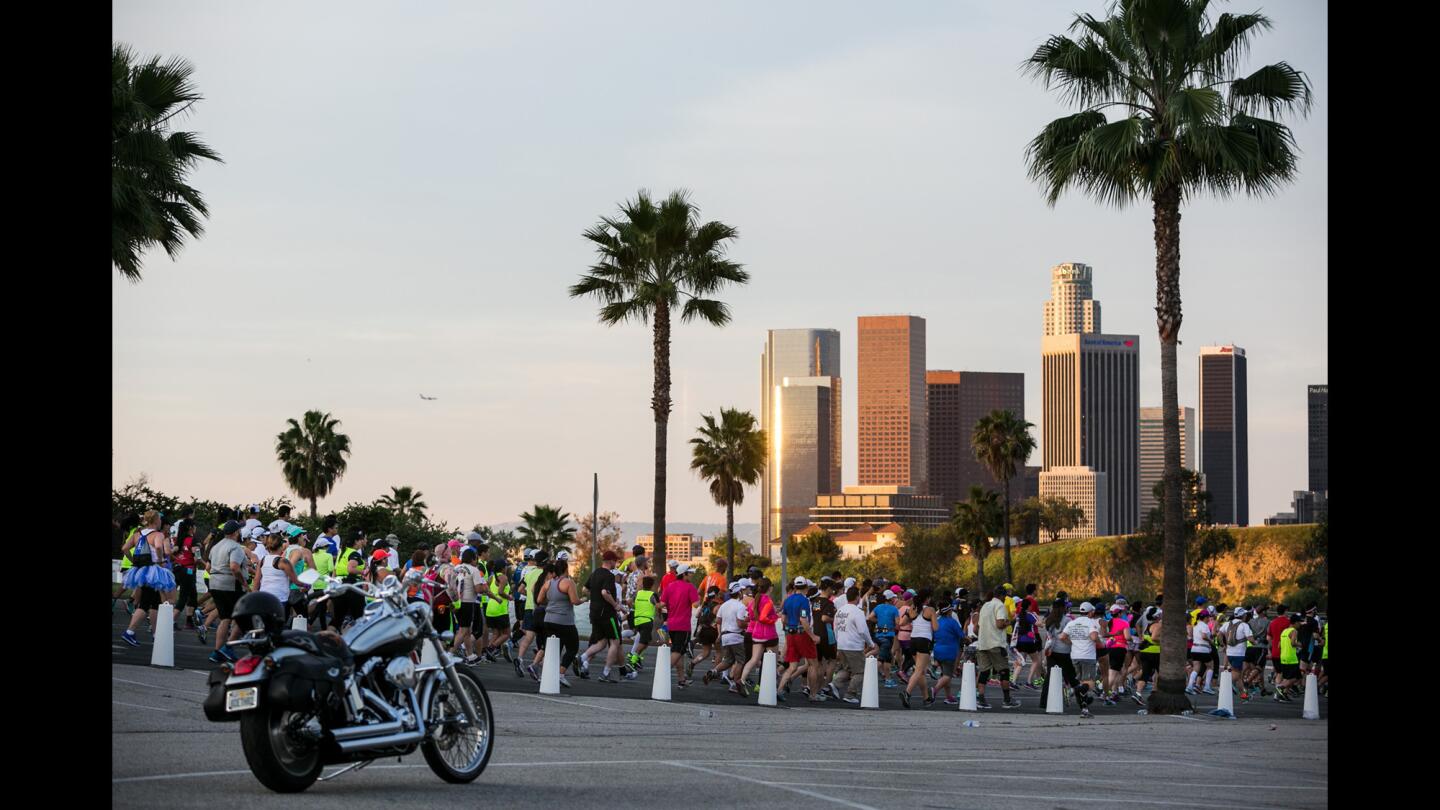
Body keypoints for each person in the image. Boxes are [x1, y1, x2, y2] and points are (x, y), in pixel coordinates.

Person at [119, 510, 176, 647]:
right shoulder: (158, 534)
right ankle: (130, 632)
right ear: (156, 520)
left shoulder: (137, 533)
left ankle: (156, 634)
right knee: (145, 603)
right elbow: (157, 546)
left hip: (141, 570)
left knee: (154, 603)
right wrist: (161, 559)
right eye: (160, 520)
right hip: (153, 569)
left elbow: (125, 548)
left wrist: (134, 561)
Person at [535, 551, 584, 688]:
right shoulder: (568, 582)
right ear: (566, 569)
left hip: (549, 619)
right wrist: (583, 600)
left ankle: (547, 674)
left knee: (553, 648)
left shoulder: (548, 583)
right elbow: (574, 601)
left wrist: (552, 602)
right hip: (564, 620)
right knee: (573, 647)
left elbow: (539, 600)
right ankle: (561, 673)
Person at [579, 550, 626, 682]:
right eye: (615, 561)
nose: (615, 563)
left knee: (601, 642)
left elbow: (584, 589)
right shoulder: (609, 576)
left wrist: (594, 597)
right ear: (611, 561)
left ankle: (582, 658)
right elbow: (605, 592)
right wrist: (615, 605)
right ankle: (605, 673)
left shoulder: (595, 573)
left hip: (594, 612)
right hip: (607, 613)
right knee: (615, 642)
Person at [824, 586, 877, 705]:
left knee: (847, 669)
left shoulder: (840, 611)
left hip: (842, 644)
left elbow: (835, 628)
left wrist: (838, 642)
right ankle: (850, 694)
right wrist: (871, 643)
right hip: (854, 646)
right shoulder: (857, 612)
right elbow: (863, 630)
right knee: (861, 671)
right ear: (857, 597)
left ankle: (834, 684)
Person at [777, 577, 823, 703]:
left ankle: (779, 690)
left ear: (795, 587)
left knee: (792, 666)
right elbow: (803, 620)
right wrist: (813, 636)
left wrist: (788, 629)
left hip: (790, 634)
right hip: (802, 634)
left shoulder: (788, 600)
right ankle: (813, 695)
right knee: (813, 664)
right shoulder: (804, 601)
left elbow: (783, 618)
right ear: (806, 587)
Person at [974, 588, 1020, 709]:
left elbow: (976, 628)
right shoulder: (1000, 606)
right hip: (996, 643)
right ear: (1002, 595)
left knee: (984, 671)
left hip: (982, 643)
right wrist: (1008, 623)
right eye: (1005, 596)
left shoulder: (985, 605)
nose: (1005, 599)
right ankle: (1007, 699)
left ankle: (981, 699)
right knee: (1004, 672)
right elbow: (999, 624)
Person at [660, 563, 701, 688]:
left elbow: (661, 604)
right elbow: (695, 605)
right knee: (678, 651)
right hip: (683, 626)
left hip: (671, 625)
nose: (692, 575)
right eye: (690, 573)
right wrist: (698, 599)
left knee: (680, 652)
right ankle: (662, 674)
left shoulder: (670, 586)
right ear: (684, 574)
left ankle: (681, 680)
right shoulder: (690, 587)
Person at [251, 530, 309, 616]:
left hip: (264, 596)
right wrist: (307, 585)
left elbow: (256, 580)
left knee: (267, 624)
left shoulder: (263, 560)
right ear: (281, 546)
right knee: (278, 625)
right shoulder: (283, 562)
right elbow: (295, 581)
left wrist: (253, 596)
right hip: (279, 598)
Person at [1060, 602, 1103, 718]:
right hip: (1088, 656)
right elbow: (1094, 637)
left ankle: (1084, 710)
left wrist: (1072, 642)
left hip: (1075, 655)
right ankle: (1072, 691)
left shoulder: (1072, 622)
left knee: (1082, 684)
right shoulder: (1091, 622)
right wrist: (1100, 642)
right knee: (1090, 684)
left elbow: (1062, 637)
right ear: (1091, 612)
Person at [710, 581, 752, 696]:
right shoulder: (740, 606)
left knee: (728, 660)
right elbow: (740, 623)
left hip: (725, 636)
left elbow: (718, 620)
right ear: (739, 593)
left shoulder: (724, 605)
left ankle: (714, 671)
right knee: (741, 660)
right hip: (735, 636)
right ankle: (735, 682)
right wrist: (748, 624)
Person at [740, 577, 779, 689]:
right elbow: (763, 617)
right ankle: (769, 687)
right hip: (769, 634)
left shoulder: (754, 601)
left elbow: (751, 616)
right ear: (769, 588)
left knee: (754, 659)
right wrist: (774, 618)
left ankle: (741, 680)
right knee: (772, 662)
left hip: (756, 634)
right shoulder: (768, 601)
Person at [170, 518, 206, 641]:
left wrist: (178, 559)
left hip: (177, 569)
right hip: (188, 571)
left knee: (193, 595)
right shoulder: (192, 540)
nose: (195, 529)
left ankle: (189, 620)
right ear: (191, 528)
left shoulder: (180, 539)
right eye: (194, 526)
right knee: (184, 597)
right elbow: (197, 557)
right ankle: (171, 622)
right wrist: (206, 564)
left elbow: (172, 552)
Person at [448, 547, 487, 663]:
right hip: (468, 602)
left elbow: (450, 585)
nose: (477, 561)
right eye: (476, 558)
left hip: (456, 601)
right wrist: (484, 588)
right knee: (463, 631)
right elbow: (478, 589)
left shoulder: (456, 568)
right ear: (472, 558)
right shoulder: (474, 570)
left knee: (466, 630)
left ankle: (470, 655)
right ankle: (449, 654)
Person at [516, 549, 550, 679]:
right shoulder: (545, 574)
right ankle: (535, 665)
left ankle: (519, 659)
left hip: (528, 607)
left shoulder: (530, 572)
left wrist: (529, 595)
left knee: (528, 637)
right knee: (545, 640)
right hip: (541, 608)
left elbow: (520, 589)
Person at [1040, 598, 1079, 710]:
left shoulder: (1049, 619)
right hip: (1064, 651)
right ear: (1063, 608)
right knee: (1071, 676)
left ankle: (1043, 702)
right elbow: (1068, 635)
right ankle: (1082, 699)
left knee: (1049, 677)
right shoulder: (1067, 620)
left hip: (1052, 651)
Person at [626, 574, 659, 679]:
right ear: (652, 586)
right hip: (647, 621)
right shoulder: (652, 595)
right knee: (643, 643)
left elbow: (629, 602)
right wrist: (664, 605)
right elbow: (658, 605)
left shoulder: (638, 593)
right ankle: (633, 659)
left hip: (638, 620)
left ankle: (635, 657)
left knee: (646, 642)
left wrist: (634, 608)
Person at [869, 590, 900, 687]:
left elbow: (870, 617)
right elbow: (898, 623)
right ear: (890, 599)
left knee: (887, 658)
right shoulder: (894, 609)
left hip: (878, 635)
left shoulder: (878, 607)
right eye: (893, 598)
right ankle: (868, 676)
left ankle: (888, 679)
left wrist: (879, 621)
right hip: (888, 636)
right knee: (881, 659)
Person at [1102, 603, 1131, 702]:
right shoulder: (1124, 623)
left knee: (1115, 671)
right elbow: (1127, 637)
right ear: (1119, 613)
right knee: (1114, 672)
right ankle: (1104, 693)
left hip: (1109, 647)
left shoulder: (1108, 622)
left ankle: (1114, 693)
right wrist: (1131, 639)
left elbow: (1104, 635)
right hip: (1119, 648)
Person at [1274, 613, 1303, 702]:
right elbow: (1293, 643)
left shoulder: (1284, 631)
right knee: (1295, 678)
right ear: (1295, 622)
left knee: (1288, 678)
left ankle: (1282, 695)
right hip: (1291, 658)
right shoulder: (1294, 631)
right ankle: (1280, 687)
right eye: (1299, 622)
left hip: (1283, 657)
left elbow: (1279, 645)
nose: (1300, 624)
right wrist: (1301, 644)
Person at [1186, 606, 1216, 695]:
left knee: (1196, 668)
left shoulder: (1195, 625)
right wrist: (1211, 641)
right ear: (1205, 617)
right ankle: (1207, 687)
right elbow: (1203, 636)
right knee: (1210, 666)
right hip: (1203, 649)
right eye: (1208, 617)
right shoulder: (1204, 626)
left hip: (1194, 649)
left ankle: (1190, 686)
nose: (1209, 619)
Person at [1244, 604, 1273, 695]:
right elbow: (1269, 635)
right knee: (1260, 667)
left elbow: (1248, 633)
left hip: (1251, 647)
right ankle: (1248, 681)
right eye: (1266, 610)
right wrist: (1269, 647)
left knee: (1258, 669)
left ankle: (1262, 689)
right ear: (1263, 612)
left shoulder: (1251, 621)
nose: (1267, 612)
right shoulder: (1267, 622)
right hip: (1261, 647)